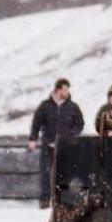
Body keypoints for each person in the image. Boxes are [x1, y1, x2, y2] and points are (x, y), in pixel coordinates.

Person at [29, 78, 83, 209]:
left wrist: (71, 135)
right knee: (45, 172)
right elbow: (36, 122)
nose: (67, 91)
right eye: (65, 89)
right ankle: (45, 201)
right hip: (48, 145)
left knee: (66, 173)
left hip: (65, 146)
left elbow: (80, 123)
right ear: (58, 90)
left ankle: (65, 201)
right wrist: (33, 138)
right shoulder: (45, 106)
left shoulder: (73, 107)